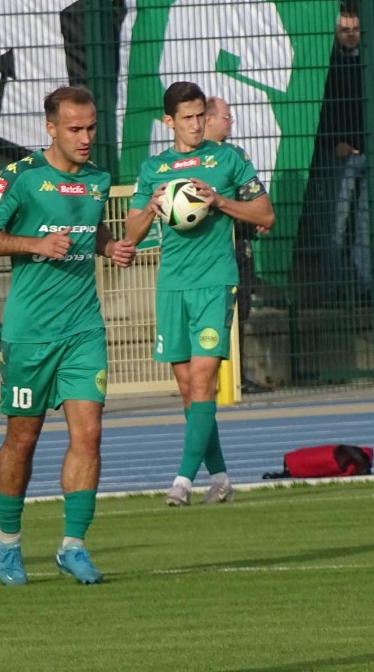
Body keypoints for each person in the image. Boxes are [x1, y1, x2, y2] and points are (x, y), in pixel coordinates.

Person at [0, 85, 135, 586]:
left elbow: (90, 227)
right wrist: (34, 244)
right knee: (23, 439)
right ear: (51, 128)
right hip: (30, 334)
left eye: (91, 128)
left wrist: (109, 247)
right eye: (75, 129)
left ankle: (73, 546)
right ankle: (8, 541)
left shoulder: (98, 180)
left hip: (83, 328)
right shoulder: (20, 177)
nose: (86, 138)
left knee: (90, 434)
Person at [122, 81, 275, 507]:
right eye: (186, 118)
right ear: (168, 121)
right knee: (190, 389)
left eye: (200, 116)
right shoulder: (154, 169)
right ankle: (221, 479)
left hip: (215, 281)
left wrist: (220, 201)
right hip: (172, 285)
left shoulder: (228, 158)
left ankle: (182, 482)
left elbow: (265, 214)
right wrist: (151, 207)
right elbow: (130, 234)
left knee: (205, 379)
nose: (195, 125)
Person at [202, 96, 267, 393]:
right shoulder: (187, 160)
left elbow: (254, 200)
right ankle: (208, 377)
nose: (231, 122)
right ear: (208, 119)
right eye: (226, 117)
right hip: (208, 252)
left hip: (239, 245)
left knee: (241, 312)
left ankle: (236, 377)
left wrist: (256, 217)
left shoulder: (235, 156)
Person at [316, 4, 371, 303]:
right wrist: (333, 142)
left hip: (368, 151)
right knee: (335, 223)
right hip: (339, 153)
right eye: (345, 30)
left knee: (366, 225)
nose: (351, 35)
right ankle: (331, 288)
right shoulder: (327, 65)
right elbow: (321, 111)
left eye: (355, 30)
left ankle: (365, 286)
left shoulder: (370, 61)